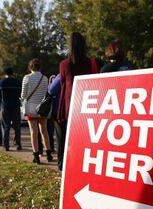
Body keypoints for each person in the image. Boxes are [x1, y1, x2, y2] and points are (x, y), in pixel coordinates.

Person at [57, 32, 99, 171]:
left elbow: (62, 85)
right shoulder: (91, 63)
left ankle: (63, 165)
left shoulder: (64, 65)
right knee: (83, 139)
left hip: (69, 107)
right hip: (86, 106)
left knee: (64, 139)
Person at [21, 59, 52, 164]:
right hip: (42, 108)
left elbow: (23, 95)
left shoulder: (27, 78)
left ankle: (36, 155)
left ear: (30, 67)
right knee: (44, 131)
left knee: (33, 132)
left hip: (30, 108)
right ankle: (48, 153)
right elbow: (45, 92)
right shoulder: (45, 78)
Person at [0, 67, 22, 151]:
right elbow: (20, 94)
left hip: (5, 106)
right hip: (16, 106)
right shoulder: (18, 82)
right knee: (17, 126)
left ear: (5, 73)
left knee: (6, 127)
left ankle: (6, 145)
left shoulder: (0, 83)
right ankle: (18, 144)